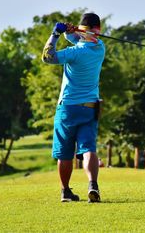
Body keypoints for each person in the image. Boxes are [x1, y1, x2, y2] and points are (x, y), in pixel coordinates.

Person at [42, 13, 105, 203]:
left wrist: (55, 34)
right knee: (88, 149)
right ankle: (93, 184)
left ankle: (65, 192)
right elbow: (81, 40)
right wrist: (70, 33)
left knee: (65, 153)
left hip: (68, 108)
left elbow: (48, 57)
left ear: (82, 31)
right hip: (90, 108)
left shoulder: (74, 53)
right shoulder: (100, 48)